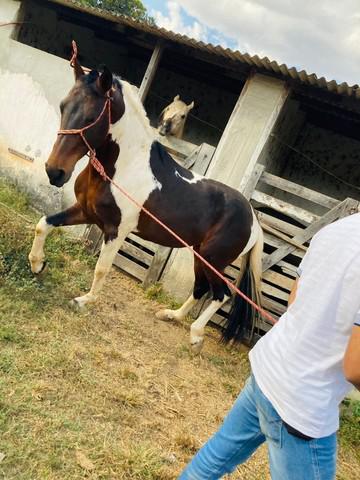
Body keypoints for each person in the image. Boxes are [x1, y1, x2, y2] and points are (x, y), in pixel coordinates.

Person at [179, 212, 360, 480]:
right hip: (303, 404)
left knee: (214, 459)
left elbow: (295, 300)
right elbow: (354, 368)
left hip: (269, 368)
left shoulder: (336, 229)